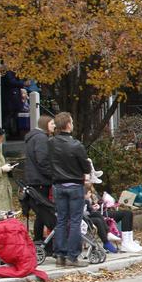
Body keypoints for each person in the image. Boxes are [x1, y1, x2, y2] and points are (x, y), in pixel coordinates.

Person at [48, 112, 90, 267]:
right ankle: (72, 256)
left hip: (58, 184)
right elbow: (85, 166)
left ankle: (60, 254)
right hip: (74, 185)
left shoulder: (51, 143)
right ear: (68, 125)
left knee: (61, 220)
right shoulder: (76, 145)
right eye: (71, 122)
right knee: (74, 221)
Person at [23, 115, 54, 241]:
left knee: (40, 213)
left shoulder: (33, 137)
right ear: (45, 124)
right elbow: (42, 160)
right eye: (52, 124)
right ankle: (39, 239)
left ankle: (39, 239)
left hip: (34, 179)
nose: (54, 126)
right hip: (40, 180)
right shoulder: (41, 138)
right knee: (42, 213)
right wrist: (52, 175)